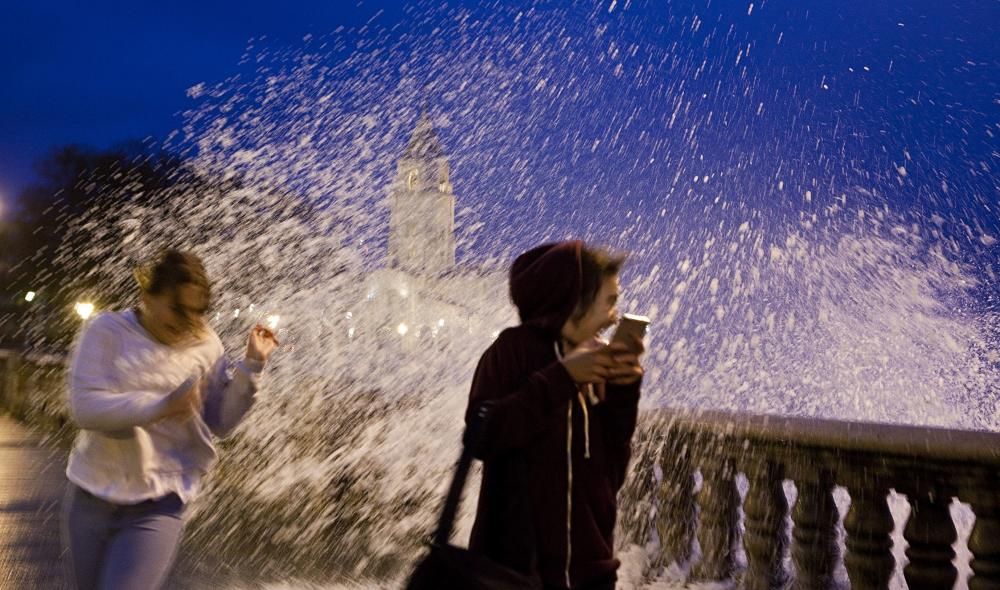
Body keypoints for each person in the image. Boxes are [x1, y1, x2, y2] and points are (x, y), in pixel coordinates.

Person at [60, 249, 278, 590]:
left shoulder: (205, 344)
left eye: (196, 312)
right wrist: (160, 406)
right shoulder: (106, 331)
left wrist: (251, 367)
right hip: (92, 496)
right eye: (177, 308)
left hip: (159, 502)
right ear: (147, 296)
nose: (187, 322)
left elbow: (219, 422)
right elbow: (85, 408)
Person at [466, 240, 644, 590]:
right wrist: (562, 378)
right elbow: (481, 435)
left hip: (591, 575)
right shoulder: (510, 353)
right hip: (513, 575)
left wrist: (624, 391)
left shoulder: (595, 362)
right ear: (572, 302)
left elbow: (610, 476)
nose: (614, 317)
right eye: (608, 303)